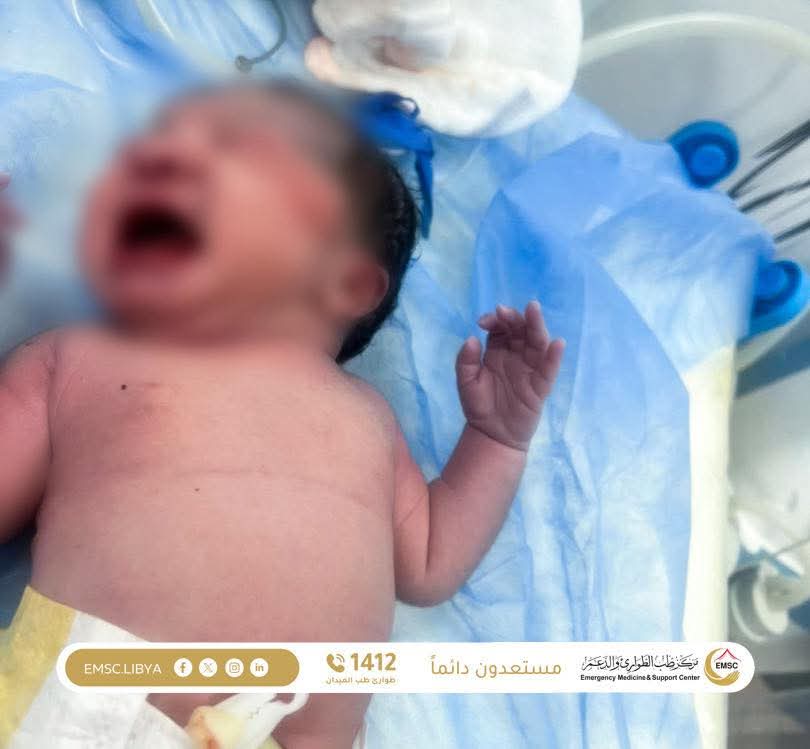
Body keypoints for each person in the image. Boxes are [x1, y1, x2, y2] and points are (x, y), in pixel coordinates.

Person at [0, 83, 563, 749]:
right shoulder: (81, 358)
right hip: (76, 721)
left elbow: (430, 560)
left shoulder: (367, 421)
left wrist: (495, 440)